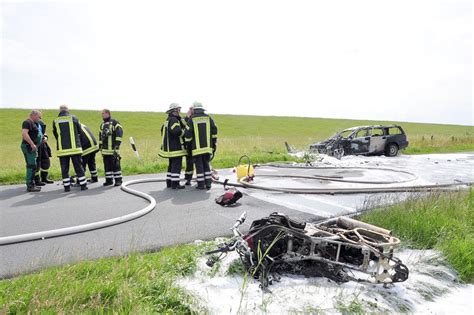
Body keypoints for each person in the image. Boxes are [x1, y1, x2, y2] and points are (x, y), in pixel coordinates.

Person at [52, 105, 88, 192]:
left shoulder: (55, 121)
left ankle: (67, 187)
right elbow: (79, 131)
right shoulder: (74, 118)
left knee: (64, 169)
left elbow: (56, 134)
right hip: (75, 149)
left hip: (62, 150)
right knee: (79, 167)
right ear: (68, 110)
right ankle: (83, 185)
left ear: (59, 111)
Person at [185, 102, 218, 190]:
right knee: (206, 165)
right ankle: (208, 184)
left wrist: (188, 145)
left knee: (199, 166)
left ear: (194, 110)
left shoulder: (191, 119)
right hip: (208, 148)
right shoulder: (209, 118)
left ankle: (201, 185)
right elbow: (214, 131)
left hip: (196, 149)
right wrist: (214, 143)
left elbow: (187, 134)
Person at [159, 103, 187, 189]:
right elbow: (176, 131)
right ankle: (175, 184)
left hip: (170, 149)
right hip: (176, 148)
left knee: (171, 166)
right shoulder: (174, 120)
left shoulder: (168, 120)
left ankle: (169, 183)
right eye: (178, 110)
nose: (179, 112)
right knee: (176, 166)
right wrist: (184, 132)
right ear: (175, 111)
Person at [99, 109, 123, 186]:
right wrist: (100, 147)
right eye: (101, 114)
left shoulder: (114, 122)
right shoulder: (102, 125)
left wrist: (117, 145)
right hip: (105, 151)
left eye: (103, 113)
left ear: (108, 114)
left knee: (116, 166)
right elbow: (100, 137)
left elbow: (119, 134)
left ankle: (118, 180)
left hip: (113, 150)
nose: (102, 115)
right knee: (107, 167)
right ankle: (109, 180)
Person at [21, 110, 42, 192]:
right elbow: (24, 133)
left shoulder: (33, 123)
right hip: (28, 147)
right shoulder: (27, 122)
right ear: (34, 115)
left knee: (33, 165)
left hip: (32, 147)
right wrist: (32, 144)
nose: (39, 119)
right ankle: (30, 185)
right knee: (31, 166)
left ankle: (32, 184)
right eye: (39, 117)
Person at [34, 115, 53, 186]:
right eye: (39, 116)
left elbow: (44, 133)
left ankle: (44, 178)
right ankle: (36, 180)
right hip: (36, 145)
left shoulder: (41, 123)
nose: (40, 118)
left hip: (43, 145)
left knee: (46, 161)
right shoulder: (30, 124)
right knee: (37, 163)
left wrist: (45, 137)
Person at [183, 106, 194, 185]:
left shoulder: (196, 118)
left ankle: (202, 179)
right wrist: (187, 116)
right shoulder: (187, 119)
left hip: (193, 144)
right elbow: (183, 124)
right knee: (189, 162)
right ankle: (188, 178)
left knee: (199, 163)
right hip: (191, 144)